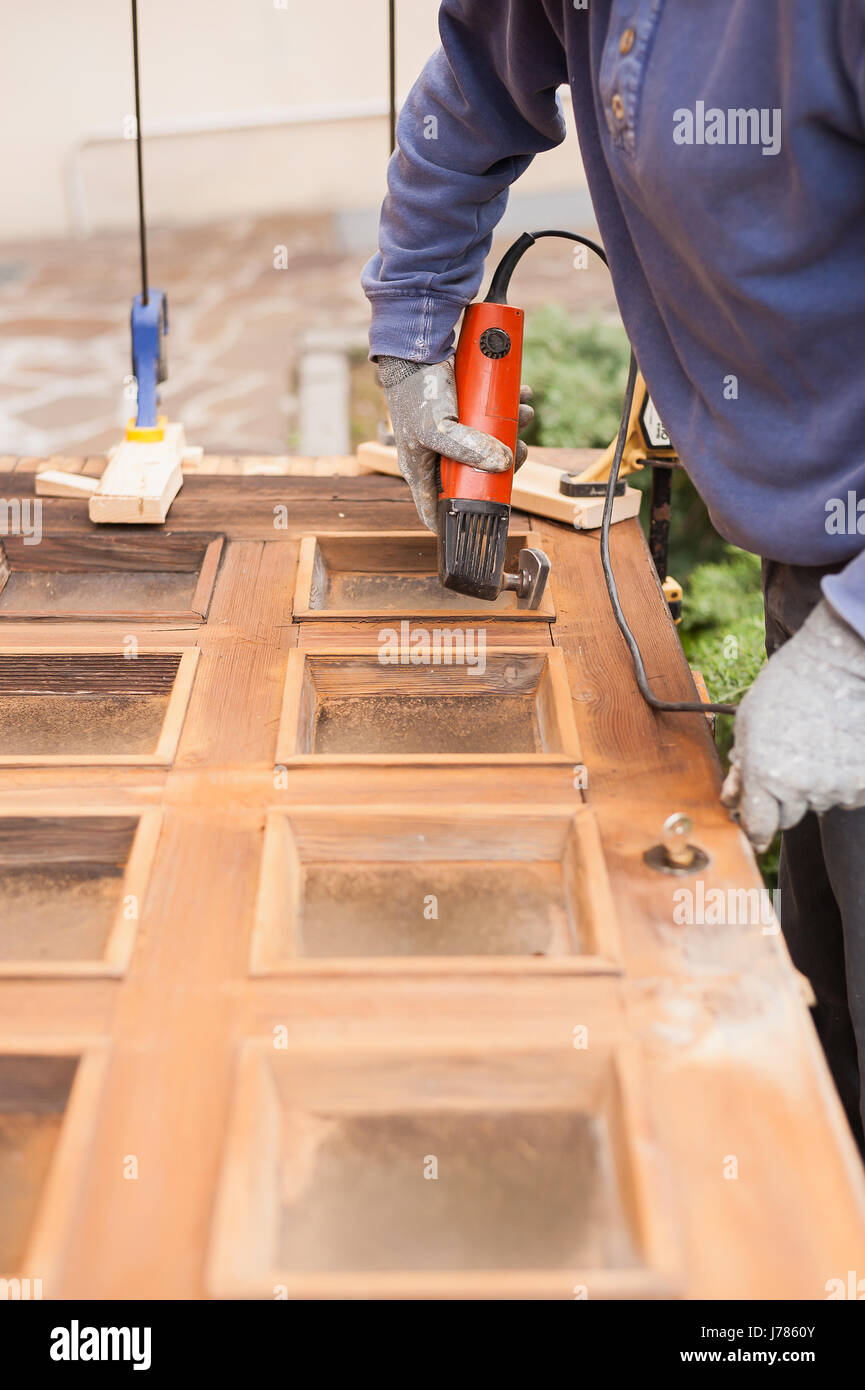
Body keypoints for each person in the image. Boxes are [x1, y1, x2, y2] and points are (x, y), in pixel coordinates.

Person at [362, 1, 865, 1152]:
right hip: (808, 565)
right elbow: (476, 89)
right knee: (817, 1039)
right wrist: (413, 325)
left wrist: (856, 645)